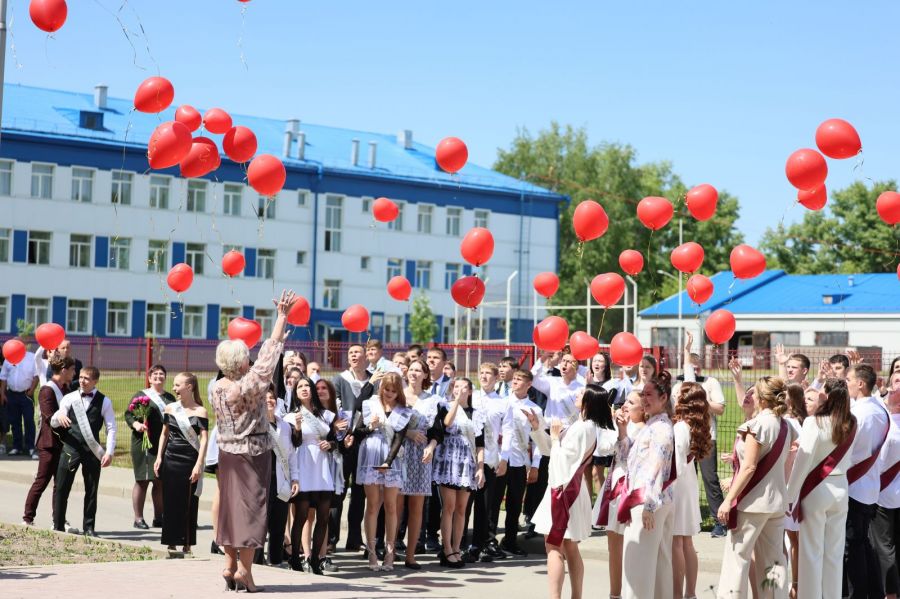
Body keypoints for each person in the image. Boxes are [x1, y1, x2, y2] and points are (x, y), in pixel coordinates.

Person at [211, 289, 294, 593]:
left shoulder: (216, 387)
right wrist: (282, 316)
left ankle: (229, 565)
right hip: (252, 453)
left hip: (226, 453)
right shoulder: (248, 386)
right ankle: (245, 571)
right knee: (252, 510)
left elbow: (265, 359)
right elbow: (269, 356)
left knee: (230, 510)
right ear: (243, 362)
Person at [525, 383, 613, 599]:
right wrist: (538, 429)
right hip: (571, 488)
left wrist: (554, 438)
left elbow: (562, 461)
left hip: (564, 491)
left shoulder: (583, 427)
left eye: (582, 393)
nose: (577, 394)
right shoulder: (583, 425)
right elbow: (553, 451)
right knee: (570, 546)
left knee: (554, 546)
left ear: (589, 402)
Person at [716, 376, 796, 599]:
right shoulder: (786, 426)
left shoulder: (757, 425)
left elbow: (749, 466)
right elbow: (788, 461)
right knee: (774, 563)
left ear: (761, 398)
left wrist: (727, 499)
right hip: (776, 503)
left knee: (736, 561)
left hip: (751, 504)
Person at [785, 380, 857, 599]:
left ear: (826, 396)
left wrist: (790, 495)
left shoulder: (814, 422)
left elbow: (802, 462)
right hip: (840, 487)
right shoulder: (851, 421)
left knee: (811, 552)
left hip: (817, 490)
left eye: (821, 390)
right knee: (834, 553)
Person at [617, 371, 676, 599]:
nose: (644, 399)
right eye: (643, 394)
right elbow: (627, 460)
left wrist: (649, 505)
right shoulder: (651, 425)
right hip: (649, 499)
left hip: (647, 501)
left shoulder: (661, 428)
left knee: (637, 568)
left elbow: (656, 467)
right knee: (657, 565)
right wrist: (623, 432)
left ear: (663, 398)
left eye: (649, 394)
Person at [673, 333, 728, 539]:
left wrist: (700, 400)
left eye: (697, 367)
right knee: (685, 477)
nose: (693, 370)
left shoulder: (710, 382)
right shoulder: (682, 385)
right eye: (690, 367)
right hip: (687, 437)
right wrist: (686, 350)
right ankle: (689, 517)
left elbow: (720, 408)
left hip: (707, 436)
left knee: (709, 478)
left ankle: (719, 521)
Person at [844, 363, 891, 599]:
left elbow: (851, 451)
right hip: (868, 486)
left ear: (860, 384)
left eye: (849, 380)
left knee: (852, 548)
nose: (846, 384)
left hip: (855, 486)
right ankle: (874, 591)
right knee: (863, 544)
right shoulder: (878, 408)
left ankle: (858, 594)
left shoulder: (861, 413)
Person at [50, 366, 115, 536]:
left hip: (92, 452)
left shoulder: (105, 401)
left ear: (95, 381)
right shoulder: (70, 397)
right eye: (80, 377)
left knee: (92, 490)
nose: (81, 381)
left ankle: (89, 528)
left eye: (86, 378)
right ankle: (58, 526)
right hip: (71, 448)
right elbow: (56, 419)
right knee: (62, 487)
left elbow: (111, 428)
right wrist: (59, 416)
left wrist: (109, 452)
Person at [355, 372, 409, 571]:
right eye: (387, 389)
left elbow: (399, 439)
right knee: (372, 505)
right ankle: (371, 552)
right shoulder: (370, 405)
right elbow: (357, 431)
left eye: (394, 391)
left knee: (391, 506)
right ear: (381, 388)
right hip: (370, 454)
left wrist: (388, 462)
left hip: (391, 460)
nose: (390, 393)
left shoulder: (403, 411)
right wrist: (371, 426)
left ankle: (389, 552)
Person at [593, 391, 645, 599]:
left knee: (630, 547)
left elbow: (627, 456)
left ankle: (631, 592)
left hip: (630, 489)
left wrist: (622, 431)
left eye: (631, 402)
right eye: (625, 401)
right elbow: (604, 448)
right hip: (615, 483)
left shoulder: (645, 429)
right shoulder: (621, 424)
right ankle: (615, 594)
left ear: (643, 409)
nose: (624, 405)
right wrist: (611, 425)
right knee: (613, 546)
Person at [286, 376, 339, 575]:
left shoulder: (326, 415)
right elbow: (294, 443)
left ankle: (316, 559)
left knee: (324, 516)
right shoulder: (291, 417)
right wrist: (298, 428)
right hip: (303, 464)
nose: (304, 389)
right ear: (295, 392)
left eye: (307, 385)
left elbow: (336, 441)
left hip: (322, 467)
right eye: (300, 386)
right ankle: (295, 558)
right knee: (301, 515)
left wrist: (331, 444)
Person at [528, 351, 586, 534]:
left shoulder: (583, 385)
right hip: (549, 434)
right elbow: (534, 378)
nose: (564, 364)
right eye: (563, 361)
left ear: (577, 366)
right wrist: (543, 358)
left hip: (570, 436)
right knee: (543, 477)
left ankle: (564, 516)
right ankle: (534, 521)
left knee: (563, 477)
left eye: (569, 362)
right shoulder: (553, 383)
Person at [154, 372, 208, 556]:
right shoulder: (170, 408)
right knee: (170, 501)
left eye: (178, 385)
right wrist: (159, 457)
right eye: (174, 385)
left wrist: (199, 464)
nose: (174, 388)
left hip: (190, 460)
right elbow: (164, 433)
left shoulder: (201, 411)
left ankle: (187, 542)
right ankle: (171, 541)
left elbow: (204, 440)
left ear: (189, 387)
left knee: (189, 502)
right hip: (171, 458)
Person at [432, 378, 485, 568]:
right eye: (456, 387)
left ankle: (456, 547)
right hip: (448, 461)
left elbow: (480, 444)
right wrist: (456, 401)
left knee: (462, 509)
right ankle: (446, 549)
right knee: (449, 507)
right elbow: (447, 424)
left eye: (464, 387)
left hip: (467, 465)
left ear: (470, 391)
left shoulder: (477, 414)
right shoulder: (446, 406)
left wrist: (480, 468)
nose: (460, 390)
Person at [330, 343, 376, 552]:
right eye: (350, 353)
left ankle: (355, 539)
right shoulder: (339, 380)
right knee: (338, 489)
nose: (354, 355)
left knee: (360, 492)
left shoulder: (375, 381)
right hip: (344, 440)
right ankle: (331, 539)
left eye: (358, 352)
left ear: (367, 356)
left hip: (366, 440)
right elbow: (338, 409)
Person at [400, 357, 443, 569]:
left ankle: (411, 555)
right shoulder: (398, 395)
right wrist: (408, 433)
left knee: (416, 508)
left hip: (422, 456)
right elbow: (388, 423)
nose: (414, 373)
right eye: (412, 369)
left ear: (426, 375)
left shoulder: (433, 400)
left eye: (419, 370)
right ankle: (390, 551)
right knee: (394, 506)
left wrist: (431, 446)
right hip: (399, 453)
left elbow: (438, 431)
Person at [22, 354, 75, 526]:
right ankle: (28, 518)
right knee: (42, 480)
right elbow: (48, 416)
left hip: (63, 444)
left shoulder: (67, 390)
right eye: (73, 370)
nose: (74, 373)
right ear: (64, 370)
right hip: (48, 443)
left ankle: (58, 520)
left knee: (60, 484)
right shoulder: (47, 390)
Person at [496, 368, 543, 557]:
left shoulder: (535, 409)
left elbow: (538, 440)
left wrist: (535, 465)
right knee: (494, 501)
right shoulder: (503, 402)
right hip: (501, 460)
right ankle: (489, 539)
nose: (515, 382)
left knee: (515, 503)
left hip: (520, 461)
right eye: (514, 378)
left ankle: (510, 540)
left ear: (529, 384)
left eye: (520, 379)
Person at [671, 382, 712, 599]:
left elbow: (675, 464)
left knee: (676, 541)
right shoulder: (697, 424)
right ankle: (690, 593)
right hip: (689, 483)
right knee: (686, 541)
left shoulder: (679, 427)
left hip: (678, 485)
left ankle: (678, 593)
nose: (674, 396)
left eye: (677, 394)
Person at [465, 362, 508, 563]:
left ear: (496, 377)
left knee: (484, 506)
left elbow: (507, 433)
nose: (483, 377)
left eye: (488, 374)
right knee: (463, 505)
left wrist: (504, 458)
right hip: (466, 458)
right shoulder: (471, 397)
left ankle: (480, 545)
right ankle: (459, 544)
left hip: (489, 458)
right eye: (481, 373)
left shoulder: (502, 402)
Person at [126, 364, 176, 530]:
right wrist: (136, 424)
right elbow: (128, 414)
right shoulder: (141, 395)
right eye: (155, 374)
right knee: (143, 480)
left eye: (161, 374)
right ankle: (138, 518)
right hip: (144, 443)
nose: (158, 377)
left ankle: (158, 518)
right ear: (149, 378)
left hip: (163, 445)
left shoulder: (170, 398)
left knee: (160, 481)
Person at [312, 378, 348, 572]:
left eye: (324, 388)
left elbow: (343, 444)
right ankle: (306, 555)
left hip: (333, 468)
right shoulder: (312, 413)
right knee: (308, 514)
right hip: (312, 466)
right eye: (316, 388)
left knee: (324, 514)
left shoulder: (339, 415)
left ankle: (322, 556)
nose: (320, 391)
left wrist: (336, 443)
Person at [262, 385, 299, 566]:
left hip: (281, 479)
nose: (269, 401)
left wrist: (295, 478)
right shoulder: (256, 423)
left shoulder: (284, 426)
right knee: (260, 523)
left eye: (272, 398)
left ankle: (275, 561)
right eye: (266, 398)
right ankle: (255, 561)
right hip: (261, 480)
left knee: (278, 522)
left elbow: (291, 454)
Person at [871, 371, 900, 599]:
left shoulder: (886, 420)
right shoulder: (883, 414)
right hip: (889, 493)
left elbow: (879, 462)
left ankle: (889, 593)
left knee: (884, 548)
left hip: (883, 493)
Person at [781, 383, 806, 596]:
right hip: (793, 485)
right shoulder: (802, 422)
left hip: (786, 485)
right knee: (792, 538)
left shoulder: (789, 422)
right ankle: (794, 585)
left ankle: (786, 585)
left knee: (785, 538)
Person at [0, 339, 39, 457]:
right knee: (14, 421)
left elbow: (36, 376)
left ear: (24, 346)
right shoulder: (8, 357)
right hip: (11, 394)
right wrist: (2, 393)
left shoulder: (32, 357)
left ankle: (31, 447)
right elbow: (3, 377)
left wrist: (31, 390)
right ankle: (17, 447)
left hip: (26, 394)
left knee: (28, 421)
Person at [586, 352, 612, 500]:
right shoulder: (585, 381)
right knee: (586, 473)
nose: (596, 363)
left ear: (606, 365)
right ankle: (587, 510)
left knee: (597, 473)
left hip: (602, 433)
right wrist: (587, 385)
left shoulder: (611, 384)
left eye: (600, 361)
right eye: (594, 360)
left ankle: (602, 510)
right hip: (587, 432)